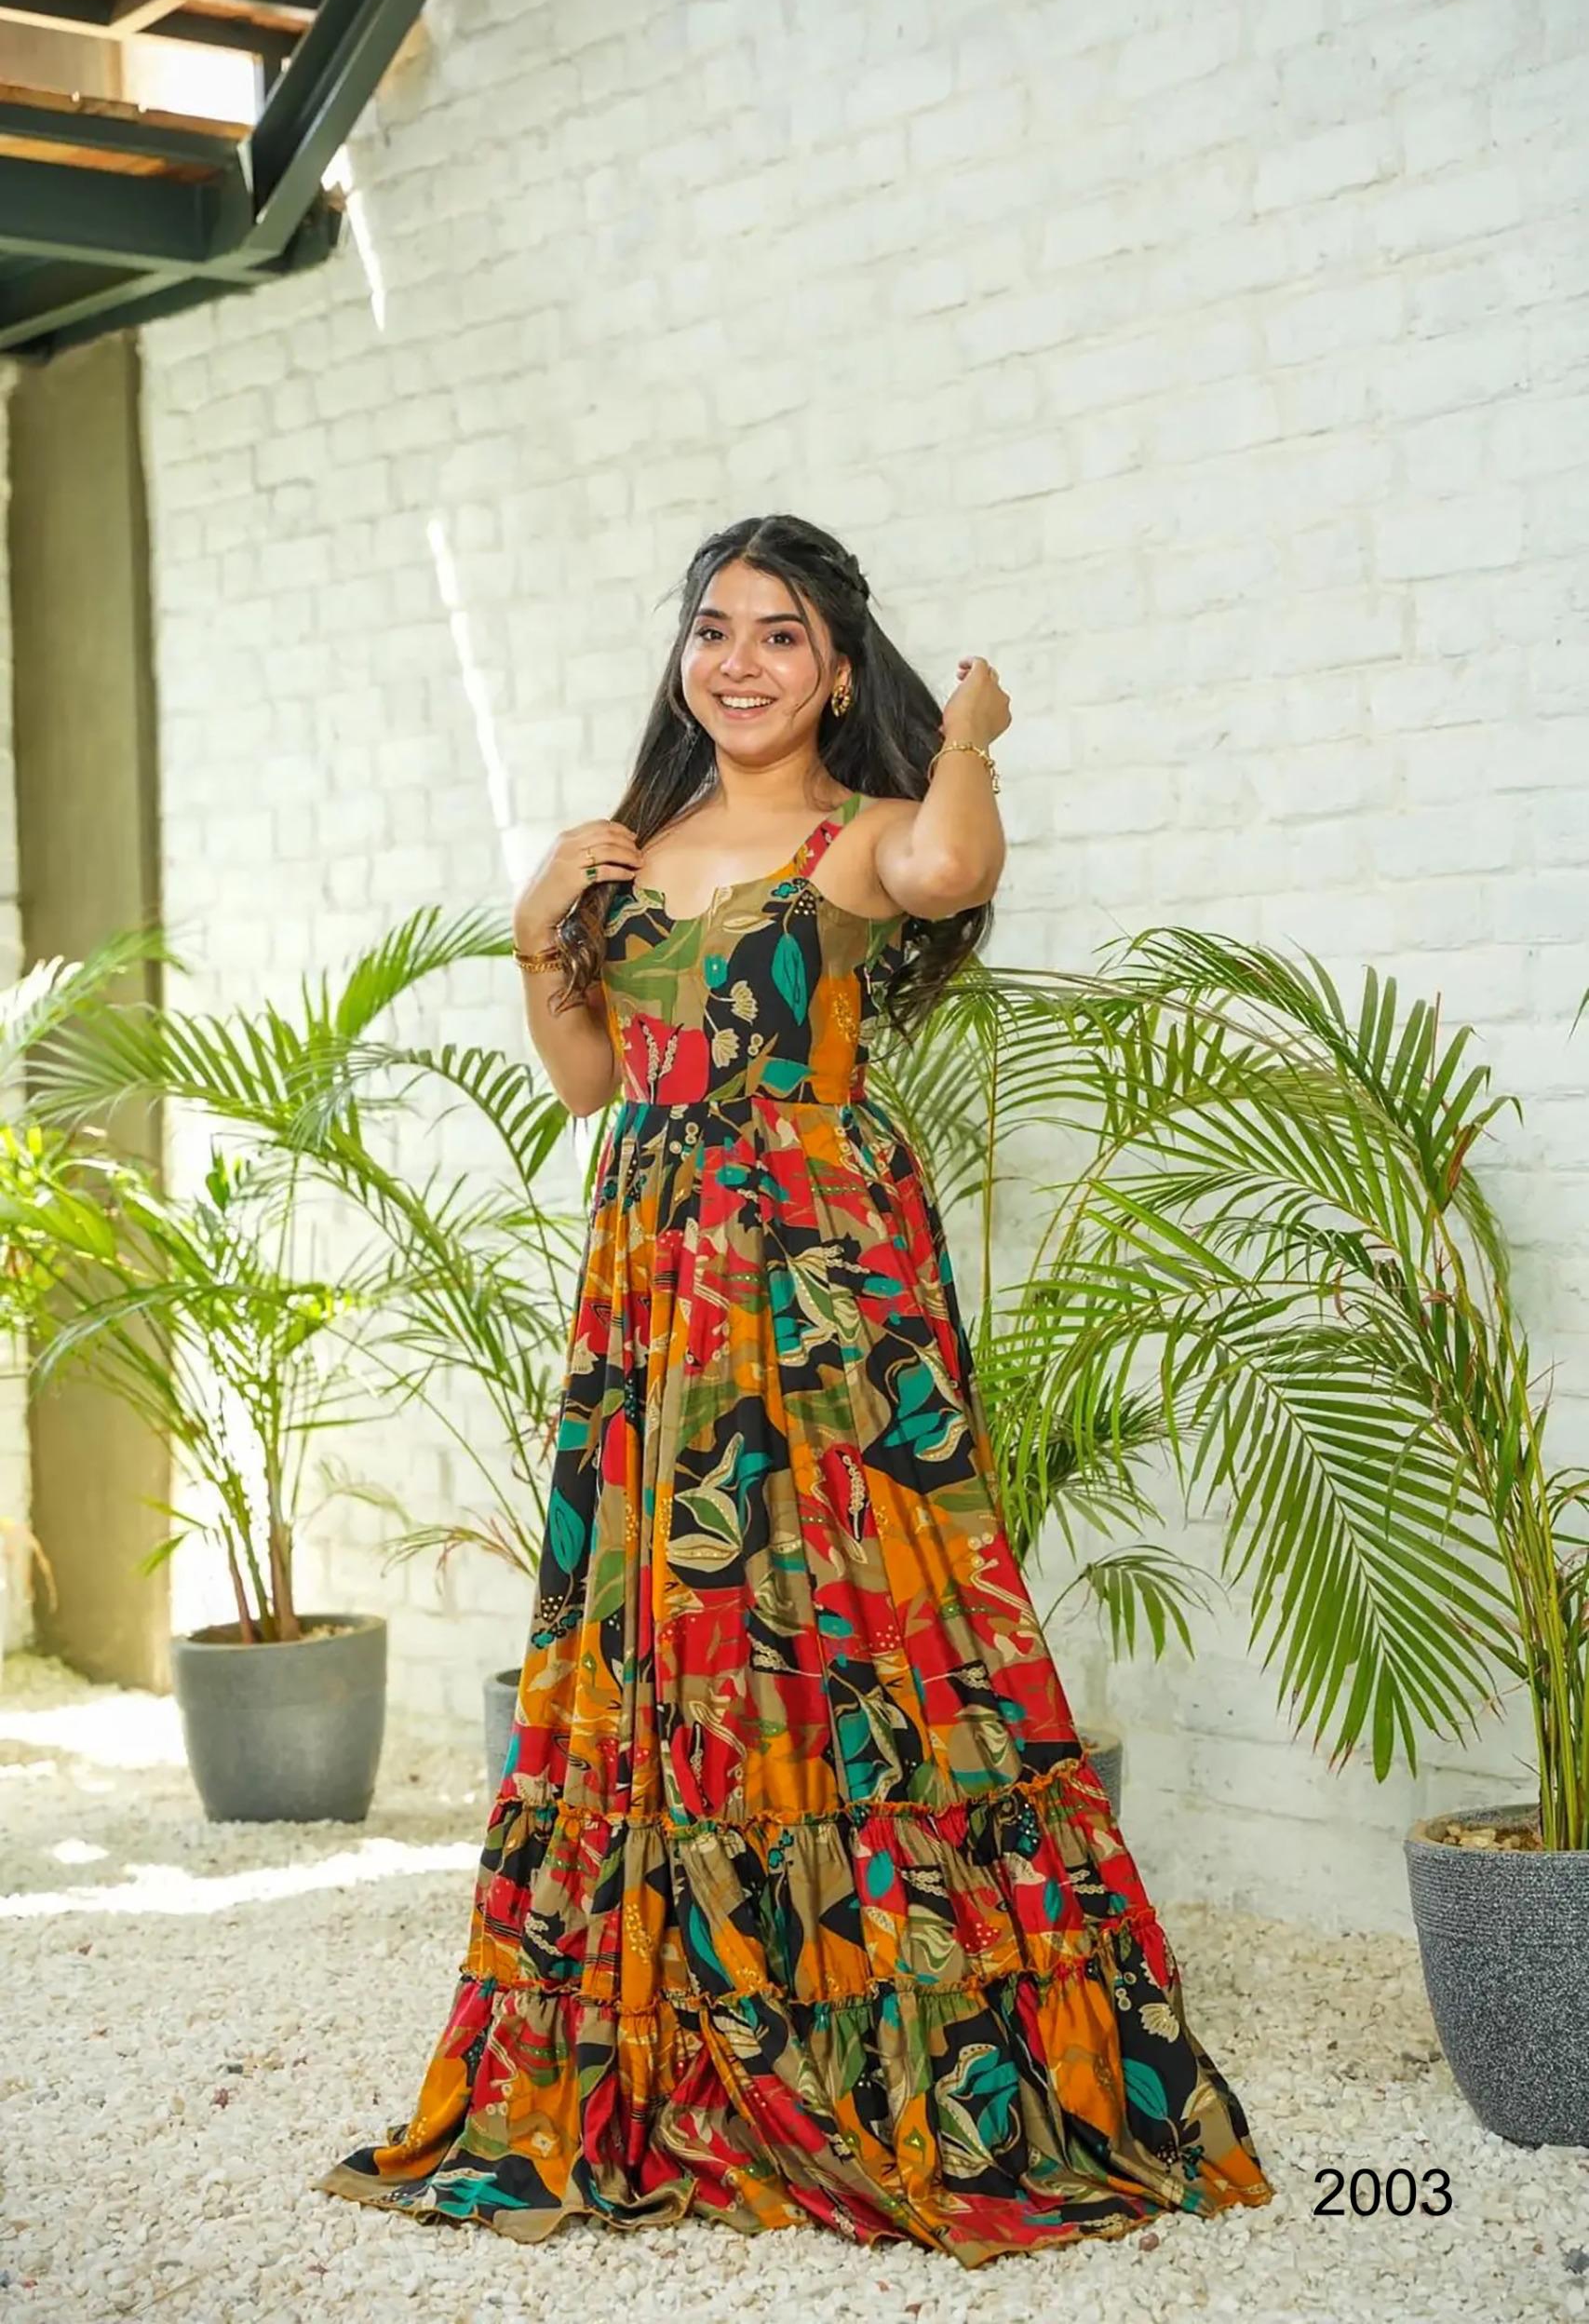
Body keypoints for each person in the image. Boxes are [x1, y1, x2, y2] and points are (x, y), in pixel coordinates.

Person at [315, 513, 1275, 2267]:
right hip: (655, 1287)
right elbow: (592, 1080)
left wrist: (970, 738)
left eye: (779, 635)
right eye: (715, 630)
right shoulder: (629, 848)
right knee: (674, 1620)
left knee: (858, 1610)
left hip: (823, 1276)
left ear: (836, 670)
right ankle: (687, 2023)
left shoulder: (860, 835)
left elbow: (953, 872)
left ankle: (895, 2024)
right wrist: (537, 925)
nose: (738, 662)